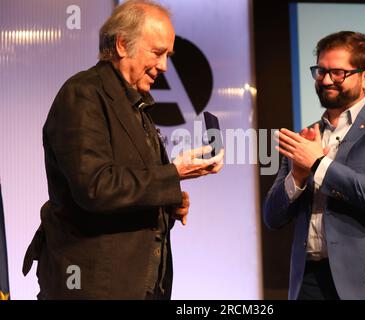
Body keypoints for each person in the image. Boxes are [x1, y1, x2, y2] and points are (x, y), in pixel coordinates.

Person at [22, 0, 224, 300]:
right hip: (92, 287)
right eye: (157, 53)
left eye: (167, 55)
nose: (164, 66)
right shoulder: (83, 95)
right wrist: (173, 175)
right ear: (121, 45)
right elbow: (96, 187)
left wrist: (168, 203)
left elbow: (130, 186)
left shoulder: (137, 107)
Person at [264, 31, 365, 299]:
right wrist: (297, 175)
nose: (326, 80)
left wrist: (317, 163)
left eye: (338, 73)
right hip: (309, 281)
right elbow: (272, 217)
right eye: (321, 71)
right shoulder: (308, 136)